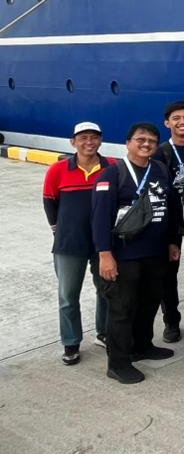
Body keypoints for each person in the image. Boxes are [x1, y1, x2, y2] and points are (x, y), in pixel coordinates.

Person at [91, 122, 180, 384]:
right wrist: (104, 254)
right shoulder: (111, 174)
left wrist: (172, 241)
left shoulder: (160, 169)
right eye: (141, 139)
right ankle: (118, 363)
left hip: (155, 252)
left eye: (152, 140)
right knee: (122, 308)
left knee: (150, 301)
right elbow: (99, 218)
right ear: (128, 143)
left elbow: (171, 206)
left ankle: (142, 345)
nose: (146, 144)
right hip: (123, 254)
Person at [43, 121, 114, 365]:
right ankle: (71, 341)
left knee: (106, 290)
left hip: (103, 243)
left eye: (93, 137)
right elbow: (49, 201)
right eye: (83, 138)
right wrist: (59, 228)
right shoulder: (58, 170)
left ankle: (104, 332)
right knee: (68, 296)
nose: (89, 142)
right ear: (73, 142)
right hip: (69, 244)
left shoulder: (112, 167)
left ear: (100, 140)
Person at [153, 100, 184, 342]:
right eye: (176, 118)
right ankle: (171, 322)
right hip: (170, 220)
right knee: (168, 274)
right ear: (167, 123)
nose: (182, 122)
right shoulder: (161, 152)